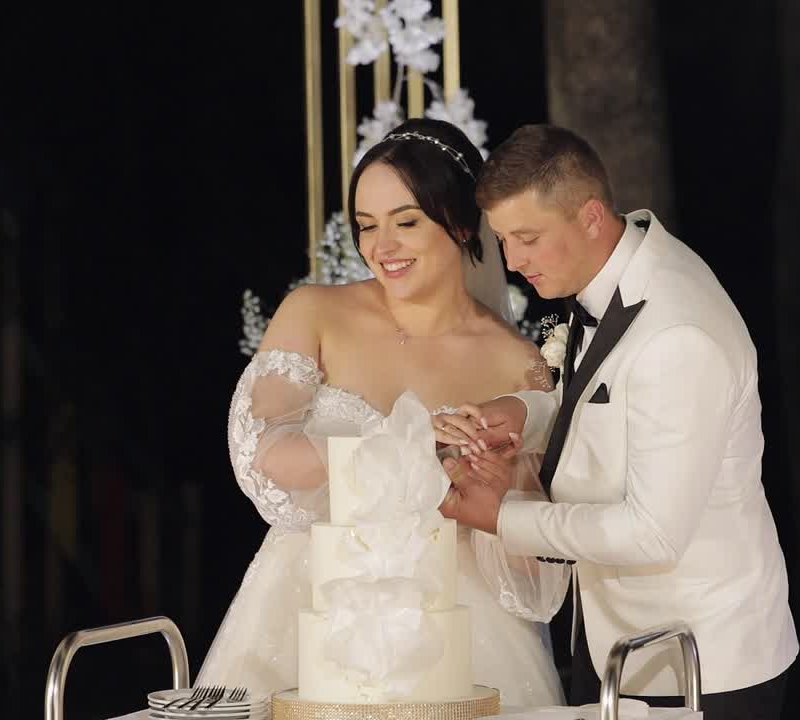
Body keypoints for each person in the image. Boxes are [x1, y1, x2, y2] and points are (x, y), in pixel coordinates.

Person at [196, 118, 569, 706]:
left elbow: (531, 570)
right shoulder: (314, 312)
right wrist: (408, 450)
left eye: (407, 223)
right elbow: (261, 450)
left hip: (460, 626)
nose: (381, 248)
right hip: (309, 601)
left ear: (463, 223)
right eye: (367, 227)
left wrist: (492, 484)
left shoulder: (516, 365)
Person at [436, 124, 798, 720]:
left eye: (527, 238)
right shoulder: (616, 271)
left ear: (591, 216)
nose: (513, 261)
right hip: (624, 645)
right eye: (503, 239)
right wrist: (522, 413)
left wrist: (503, 518)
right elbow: (608, 398)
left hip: (703, 661)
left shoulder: (678, 334)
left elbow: (653, 533)